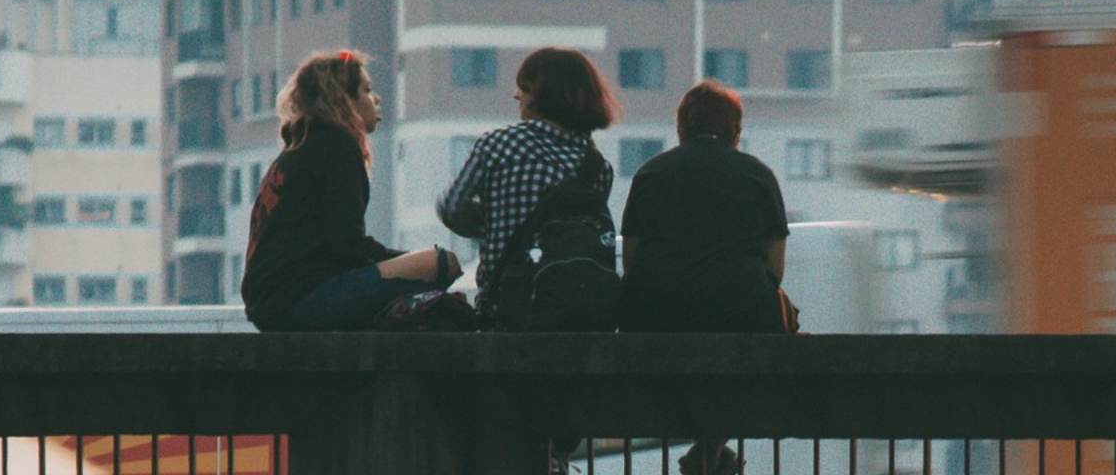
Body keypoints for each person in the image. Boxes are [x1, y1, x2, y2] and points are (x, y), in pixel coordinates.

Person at [620, 80, 794, 475]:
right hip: (742, 312)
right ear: (736, 129)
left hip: (655, 315)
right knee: (765, 334)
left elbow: (632, 260)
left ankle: (707, 451)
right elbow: (775, 269)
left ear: (681, 127)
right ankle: (712, 452)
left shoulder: (651, 173)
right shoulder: (758, 175)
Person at [241, 49, 461, 331]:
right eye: (366, 91)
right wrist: (411, 262)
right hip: (305, 300)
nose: (376, 99)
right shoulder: (337, 147)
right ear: (344, 101)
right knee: (442, 262)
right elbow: (348, 246)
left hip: (270, 306)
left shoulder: (297, 150)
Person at [437, 46, 620, 324]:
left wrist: (492, 221)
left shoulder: (497, 145)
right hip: (578, 315)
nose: (516, 95)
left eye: (524, 88)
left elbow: (451, 207)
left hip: (507, 309)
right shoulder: (598, 167)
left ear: (541, 94)